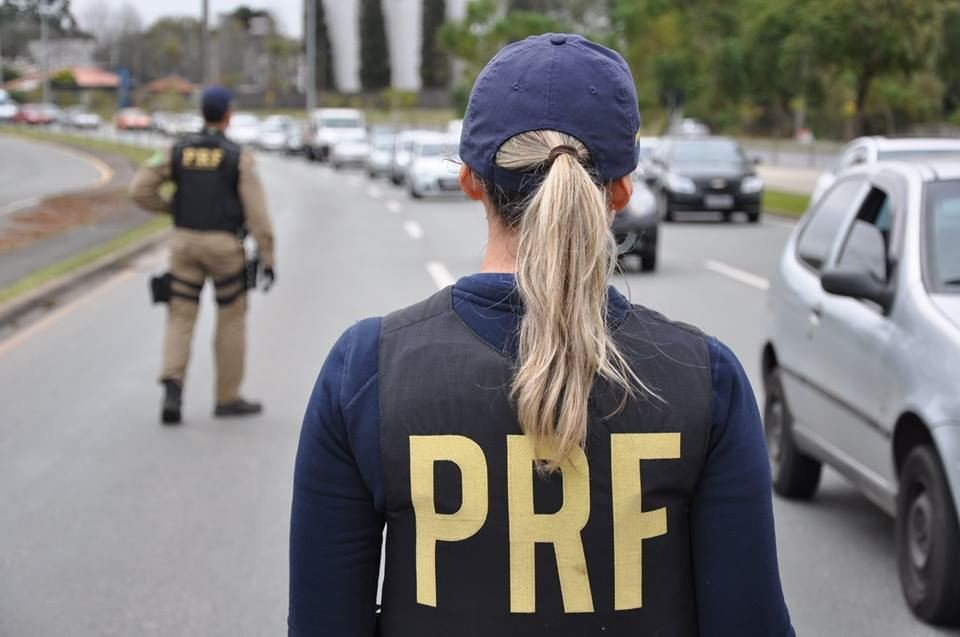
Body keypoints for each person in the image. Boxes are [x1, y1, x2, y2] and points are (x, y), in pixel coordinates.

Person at [289, 34, 794, 636]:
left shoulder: (366, 370)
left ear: (470, 180)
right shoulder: (706, 380)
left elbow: (321, 623)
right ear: (622, 190)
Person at [130, 86, 275, 425]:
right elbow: (257, 216)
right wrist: (268, 256)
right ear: (228, 115)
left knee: (180, 316)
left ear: (202, 113)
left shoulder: (176, 150)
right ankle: (227, 397)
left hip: (184, 243)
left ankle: (173, 387)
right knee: (231, 318)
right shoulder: (238, 158)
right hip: (224, 247)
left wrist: (173, 209)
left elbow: (139, 190)